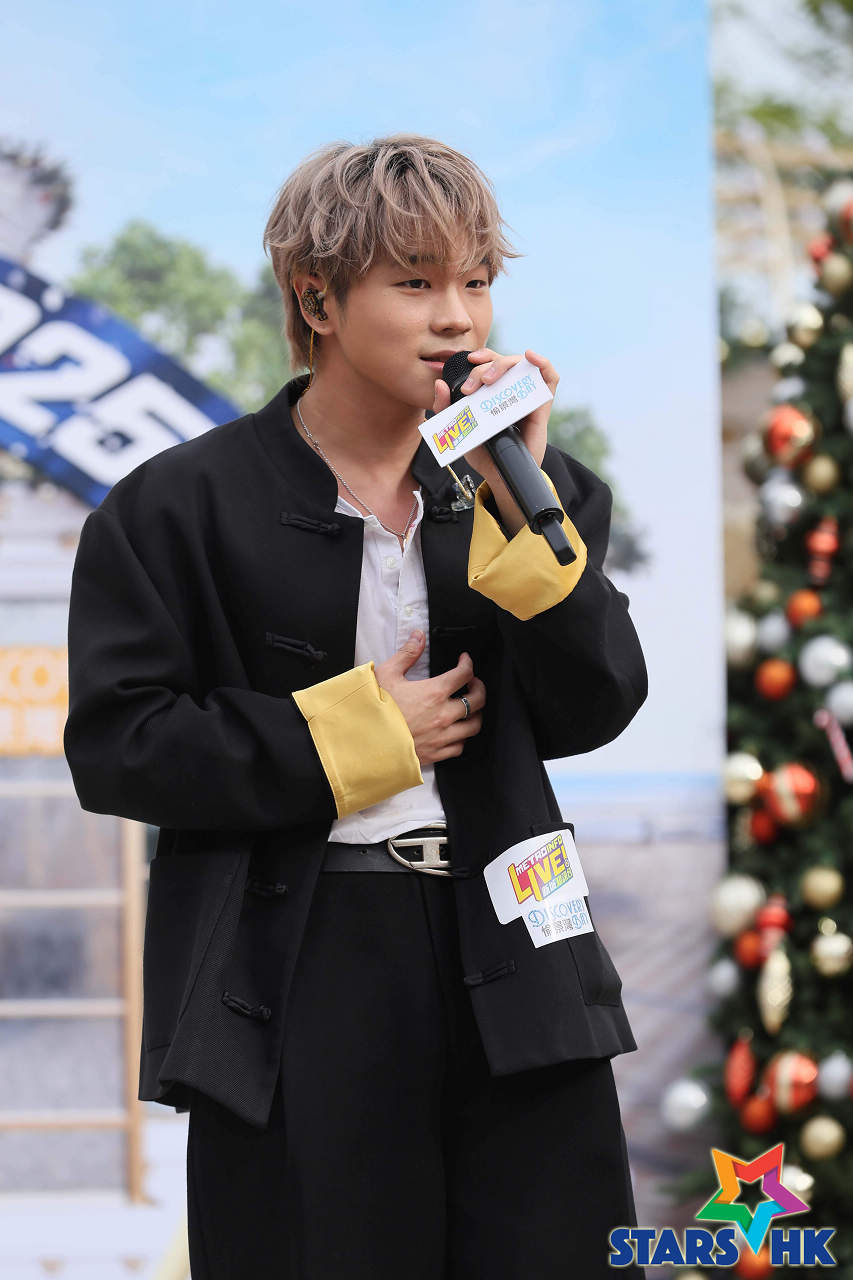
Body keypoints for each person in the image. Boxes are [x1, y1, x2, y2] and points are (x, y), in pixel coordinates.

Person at [64, 133, 649, 1278]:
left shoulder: (534, 487)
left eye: (476, 279)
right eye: (415, 281)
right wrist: (358, 735)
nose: (456, 317)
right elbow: (121, 744)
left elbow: (595, 702)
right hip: (301, 965)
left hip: (517, 950)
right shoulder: (176, 505)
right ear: (317, 299)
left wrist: (520, 509)